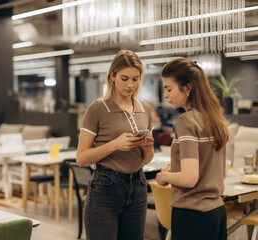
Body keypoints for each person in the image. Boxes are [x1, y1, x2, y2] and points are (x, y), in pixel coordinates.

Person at [76, 50, 154, 240]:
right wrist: (114, 145)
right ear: (112, 76)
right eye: (124, 78)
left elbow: (147, 159)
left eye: (135, 79)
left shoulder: (145, 109)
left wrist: (147, 147)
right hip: (105, 188)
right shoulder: (97, 108)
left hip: (138, 186)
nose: (130, 85)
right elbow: (81, 158)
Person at [155, 58, 229, 240]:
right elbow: (221, 171)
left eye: (169, 88)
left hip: (193, 215)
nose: (165, 95)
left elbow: (189, 179)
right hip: (217, 212)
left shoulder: (186, 121)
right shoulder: (214, 119)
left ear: (187, 88)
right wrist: (177, 170)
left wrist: (164, 176)